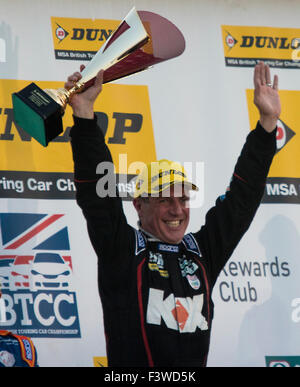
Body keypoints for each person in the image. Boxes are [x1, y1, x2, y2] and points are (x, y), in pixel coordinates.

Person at [66, 62, 280, 367]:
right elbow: (98, 199)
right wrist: (85, 115)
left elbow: (241, 201)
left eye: (183, 198)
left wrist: (267, 125)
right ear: (139, 205)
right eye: (165, 200)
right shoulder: (122, 250)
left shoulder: (201, 253)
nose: (177, 209)